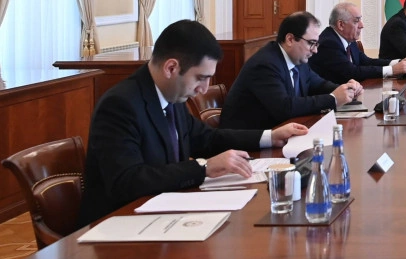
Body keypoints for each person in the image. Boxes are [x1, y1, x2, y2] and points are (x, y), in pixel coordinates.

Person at [78, 20, 308, 226]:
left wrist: (270, 136)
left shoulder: (172, 94)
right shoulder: (121, 104)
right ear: (171, 68)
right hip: (121, 227)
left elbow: (206, 139)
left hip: (164, 213)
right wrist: (203, 168)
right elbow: (127, 181)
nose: (204, 89)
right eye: (201, 78)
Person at [220, 12, 363, 131]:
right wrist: (333, 99)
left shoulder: (298, 59)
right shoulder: (265, 64)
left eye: (316, 44)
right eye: (311, 43)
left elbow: (318, 84)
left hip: (281, 132)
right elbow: (284, 108)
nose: (315, 50)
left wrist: (346, 89)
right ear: (290, 39)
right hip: (247, 143)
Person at [309, 2, 406, 84]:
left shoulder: (348, 39)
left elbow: (366, 61)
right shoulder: (329, 43)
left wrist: (398, 62)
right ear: (341, 25)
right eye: (356, 21)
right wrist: (392, 70)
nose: (362, 25)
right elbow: (352, 72)